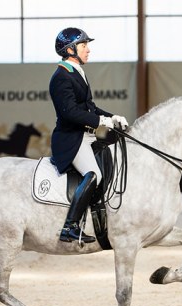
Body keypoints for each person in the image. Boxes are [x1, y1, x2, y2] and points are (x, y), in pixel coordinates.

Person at [49, 27, 129, 244]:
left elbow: (90, 107)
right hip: (71, 139)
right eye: (84, 46)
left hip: (87, 135)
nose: (88, 50)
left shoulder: (78, 72)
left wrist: (112, 117)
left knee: (115, 151)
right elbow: (70, 112)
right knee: (94, 174)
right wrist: (100, 121)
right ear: (70, 49)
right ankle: (70, 226)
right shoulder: (60, 77)